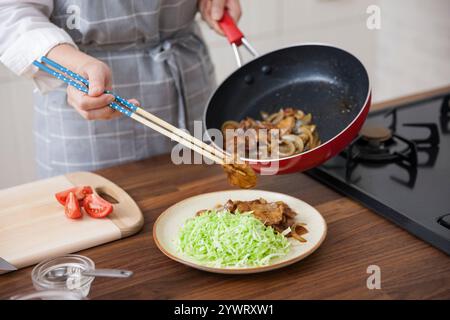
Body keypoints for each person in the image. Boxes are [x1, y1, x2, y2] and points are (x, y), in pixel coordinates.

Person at [0, 0, 241, 177]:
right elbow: (10, 12)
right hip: (82, 95)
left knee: (205, 204)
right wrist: (76, 65)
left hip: (188, 85)